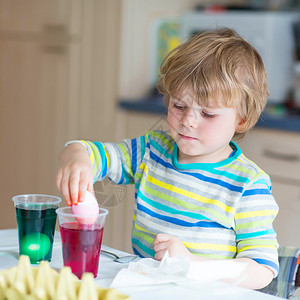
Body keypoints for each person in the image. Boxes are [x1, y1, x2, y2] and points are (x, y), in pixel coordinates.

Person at [56, 28, 279, 289]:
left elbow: (262, 269)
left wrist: (191, 265)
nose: (188, 121)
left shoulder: (248, 184)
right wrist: (77, 158)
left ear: (241, 119)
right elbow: (94, 153)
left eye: (207, 114)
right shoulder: (151, 152)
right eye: (179, 106)